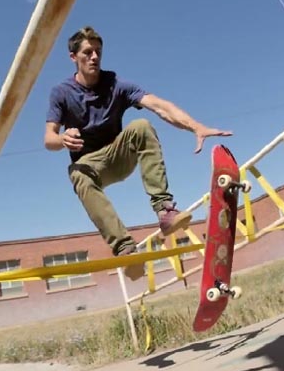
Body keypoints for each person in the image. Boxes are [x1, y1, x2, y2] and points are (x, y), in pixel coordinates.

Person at [44, 26, 232, 267]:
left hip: (118, 154)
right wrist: (62, 139)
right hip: (90, 166)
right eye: (88, 52)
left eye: (98, 51)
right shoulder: (61, 93)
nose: (94, 57)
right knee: (76, 172)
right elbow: (48, 138)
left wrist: (195, 126)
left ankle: (165, 211)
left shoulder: (117, 85)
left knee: (141, 125)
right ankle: (125, 248)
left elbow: (159, 106)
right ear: (73, 57)